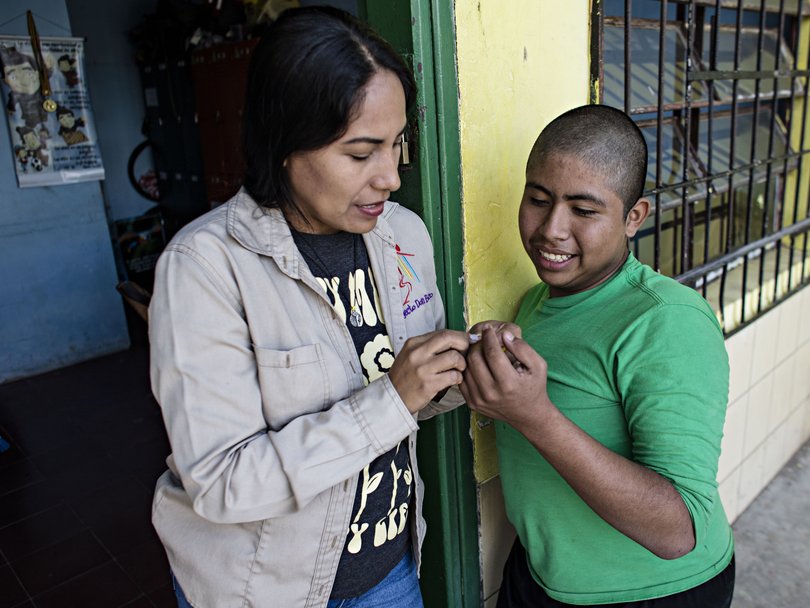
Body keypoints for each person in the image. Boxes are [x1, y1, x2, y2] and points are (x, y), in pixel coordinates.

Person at [148, 7, 470, 608]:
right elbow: (222, 483)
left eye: (397, 145)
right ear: (285, 143)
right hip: (265, 591)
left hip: (389, 572)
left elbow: (407, 397)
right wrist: (394, 396)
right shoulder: (206, 267)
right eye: (360, 153)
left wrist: (467, 374)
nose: (391, 177)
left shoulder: (403, 235)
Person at [461, 104, 735, 607]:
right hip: (542, 575)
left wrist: (533, 415)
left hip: (650, 591)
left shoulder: (667, 320)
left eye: (583, 211)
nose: (551, 230)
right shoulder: (537, 299)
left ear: (634, 217)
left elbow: (678, 531)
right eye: (537, 199)